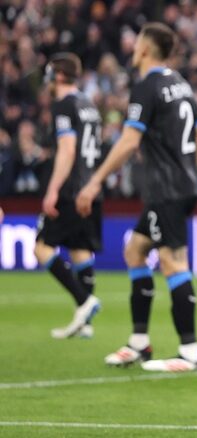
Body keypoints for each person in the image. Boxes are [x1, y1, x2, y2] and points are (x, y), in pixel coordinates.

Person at [76, 22, 197, 373]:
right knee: (135, 251)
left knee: (172, 262)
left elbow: (129, 141)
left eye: (137, 44)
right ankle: (139, 342)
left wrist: (95, 182)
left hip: (167, 189)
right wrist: (189, 169)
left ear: (146, 50)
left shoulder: (147, 86)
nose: (133, 49)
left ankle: (190, 352)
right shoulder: (181, 84)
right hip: (181, 184)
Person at [35, 53, 103, 340]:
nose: (48, 80)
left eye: (50, 73)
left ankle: (84, 301)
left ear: (60, 75)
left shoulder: (64, 105)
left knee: (41, 248)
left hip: (71, 188)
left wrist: (52, 189)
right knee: (79, 250)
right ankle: (84, 324)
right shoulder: (89, 105)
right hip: (91, 187)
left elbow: (67, 149)